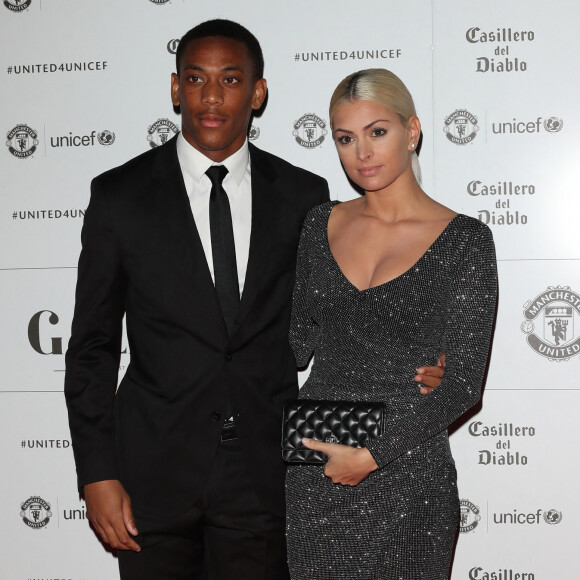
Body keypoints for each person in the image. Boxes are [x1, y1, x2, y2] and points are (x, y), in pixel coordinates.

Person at [64, 20, 445, 580]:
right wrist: (96, 473)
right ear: (175, 89)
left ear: (258, 93)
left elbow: (341, 314)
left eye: (231, 79)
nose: (211, 96)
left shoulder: (304, 198)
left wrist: (425, 360)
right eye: (195, 79)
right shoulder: (119, 196)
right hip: (152, 480)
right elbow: (92, 347)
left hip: (266, 479)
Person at [286, 68, 497, 579]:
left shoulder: (465, 240)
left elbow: (464, 384)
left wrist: (373, 455)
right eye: (345, 138)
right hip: (317, 467)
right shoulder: (319, 224)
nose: (363, 152)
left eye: (377, 131)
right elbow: (292, 347)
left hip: (408, 467)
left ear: (413, 131)